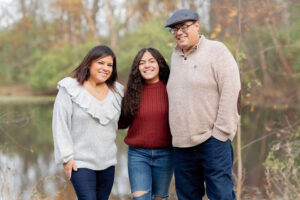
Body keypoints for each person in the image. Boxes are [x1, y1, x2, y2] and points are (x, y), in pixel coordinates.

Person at [165, 9, 241, 200]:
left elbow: (232, 92)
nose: (179, 32)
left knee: (221, 196)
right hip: (182, 145)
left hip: (212, 141)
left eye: (184, 26)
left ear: (197, 25)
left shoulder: (217, 50)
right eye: (174, 29)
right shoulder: (174, 56)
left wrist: (221, 133)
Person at [52, 45, 123, 200]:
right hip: (80, 162)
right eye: (101, 63)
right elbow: (60, 125)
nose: (105, 68)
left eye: (110, 65)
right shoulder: (70, 88)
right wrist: (67, 157)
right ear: (89, 63)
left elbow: (130, 117)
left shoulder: (117, 92)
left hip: (108, 162)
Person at [118, 48, 173, 200]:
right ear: (137, 68)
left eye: (151, 61)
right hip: (138, 155)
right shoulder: (132, 92)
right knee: (140, 198)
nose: (146, 66)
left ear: (159, 64)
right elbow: (121, 122)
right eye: (142, 63)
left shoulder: (172, 89)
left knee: (160, 197)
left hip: (166, 154)